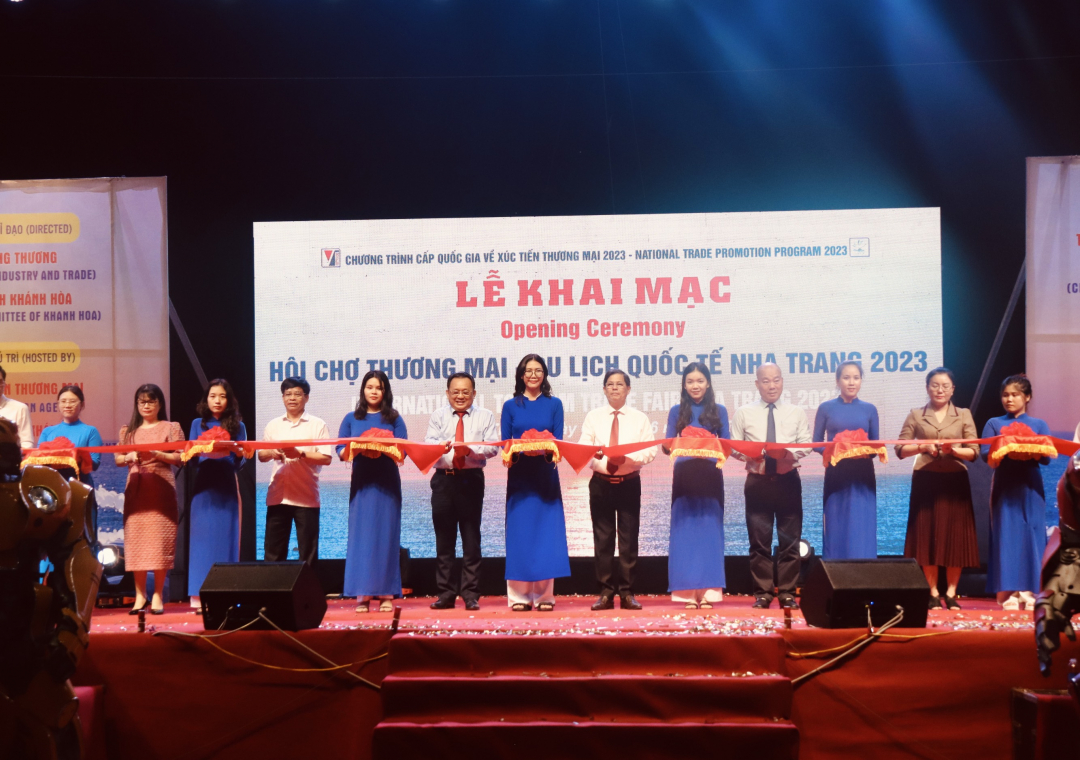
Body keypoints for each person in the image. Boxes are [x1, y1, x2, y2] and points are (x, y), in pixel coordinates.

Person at [896, 367, 979, 610]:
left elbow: (974, 452)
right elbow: (900, 449)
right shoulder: (915, 414)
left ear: (953, 389)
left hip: (955, 482)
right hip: (926, 480)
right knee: (926, 537)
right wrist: (922, 447)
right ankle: (932, 592)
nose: (939, 390)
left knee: (955, 537)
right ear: (927, 388)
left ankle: (951, 593)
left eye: (945, 385)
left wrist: (954, 451)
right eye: (934, 385)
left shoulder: (963, 414)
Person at [731, 362, 812, 610]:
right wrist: (750, 456)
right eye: (765, 381)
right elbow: (734, 446)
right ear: (757, 384)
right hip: (757, 482)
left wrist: (789, 454)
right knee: (759, 542)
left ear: (782, 381)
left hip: (788, 481)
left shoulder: (796, 412)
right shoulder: (744, 412)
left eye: (776, 379)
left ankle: (787, 593)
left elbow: (806, 444)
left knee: (790, 541)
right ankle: (763, 593)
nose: (771, 385)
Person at [580, 369, 656, 611]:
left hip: (629, 483)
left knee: (629, 540)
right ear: (604, 389)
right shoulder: (593, 416)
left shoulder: (639, 418)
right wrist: (602, 457)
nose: (614, 388)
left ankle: (627, 593)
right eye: (610, 385)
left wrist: (625, 458)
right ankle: (604, 593)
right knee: (602, 540)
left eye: (619, 384)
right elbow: (584, 449)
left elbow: (650, 452)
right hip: (601, 483)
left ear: (628, 390)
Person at [424, 372, 501, 611]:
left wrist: (469, 450)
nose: (460, 396)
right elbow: (430, 446)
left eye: (465, 392)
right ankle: (445, 594)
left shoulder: (485, 416)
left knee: (471, 538)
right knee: (444, 541)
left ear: (474, 394)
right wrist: (448, 451)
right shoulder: (437, 416)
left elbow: (493, 447)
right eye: (455, 391)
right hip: (443, 481)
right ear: (447, 393)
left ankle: (470, 594)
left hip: (471, 480)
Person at [501, 354, 569, 611]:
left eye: (538, 370)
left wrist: (543, 449)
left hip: (545, 475)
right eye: (528, 370)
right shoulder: (510, 405)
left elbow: (558, 443)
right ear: (521, 375)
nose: (533, 375)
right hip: (519, 477)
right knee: (520, 534)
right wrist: (519, 451)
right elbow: (505, 445)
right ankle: (518, 597)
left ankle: (543, 597)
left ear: (544, 375)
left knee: (545, 534)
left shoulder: (555, 404)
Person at [337, 370, 407, 613]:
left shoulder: (394, 418)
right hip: (362, 484)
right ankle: (362, 594)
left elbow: (403, 454)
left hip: (387, 483)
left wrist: (384, 448)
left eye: (379, 387)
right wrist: (359, 448)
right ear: (363, 390)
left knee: (387, 537)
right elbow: (341, 451)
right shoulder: (351, 418)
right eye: (370, 387)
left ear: (385, 391)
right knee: (361, 538)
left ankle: (387, 593)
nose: (374, 391)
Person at [980, 374, 1051, 610]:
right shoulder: (994, 423)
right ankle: (1007, 591)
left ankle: (1031, 590)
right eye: (1005, 395)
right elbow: (984, 454)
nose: (1009, 399)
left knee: (1032, 534)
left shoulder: (1039, 424)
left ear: (1027, 397)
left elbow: (1047, 458)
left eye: (1015, 395)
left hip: (1030, 485)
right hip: (1005, 486)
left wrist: (1031, 451)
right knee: (1006, 535)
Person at [663, 362, 728, 609]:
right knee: (685, 532)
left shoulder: (719, 411)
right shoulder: (676, 411)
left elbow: (727, 445)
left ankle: (710, 593)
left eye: (700, 380)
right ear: (684, 385)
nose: (695, 385)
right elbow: (668, 445)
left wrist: (708, 443)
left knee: (709, 532)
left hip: (710, 476)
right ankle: (687, 593)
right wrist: (681, 441)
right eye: (690, 381)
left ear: (708, 383)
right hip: (684, 477)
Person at [115, 384, 184, 614]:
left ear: (160, 404)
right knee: (136, 543)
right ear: (136, 405)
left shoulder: (171, 427)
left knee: (160, 542)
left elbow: (182, 457)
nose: (146, 405)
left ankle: (157, 595)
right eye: (142, 401)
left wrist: (158, 454)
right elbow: (117, 458)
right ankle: (139, 595)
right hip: (136, 489)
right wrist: (130, 456)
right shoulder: (128, 431)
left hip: (161, 488)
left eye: (151, 401)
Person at [259, 377, 333, 566]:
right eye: (288, 394)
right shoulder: (273, 425)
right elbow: (261, 455)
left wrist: (300, 453)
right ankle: (273, 595)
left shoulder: (317, 424)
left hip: (306, 497)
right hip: (278, 496)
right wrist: (273, 452)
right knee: (273, 552)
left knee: (307, 554)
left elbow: (326, 458)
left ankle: (307, 595)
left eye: (297, 394)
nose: (292, 398)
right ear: (283, 397)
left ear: (306, 398)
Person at [188, 379, 247, 607]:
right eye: (213, 396)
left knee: (227, 537)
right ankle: (196, 595)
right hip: (204, 485)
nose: (217, 400)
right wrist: (200, 451)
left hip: (226, 484)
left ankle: (227, 594)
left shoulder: (237, 425)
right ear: (206, 398)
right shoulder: (197, 423)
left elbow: (241, 462)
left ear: (229, 400)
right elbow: (192, 458)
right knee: (201, 540)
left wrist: (236, 451)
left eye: (222, 396)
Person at [812, 361, 880, 559]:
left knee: (862, 526)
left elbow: (875, 448)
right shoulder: (826, 408)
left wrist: (861, 449)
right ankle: (835, 575)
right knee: (836, 523)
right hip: (837, 473)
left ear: (861, 381)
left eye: (856, 378)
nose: (851, 382)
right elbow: (816, 444)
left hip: (862, 474)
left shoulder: (870, 409)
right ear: (837, 380)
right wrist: (837, 449)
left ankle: (865, 578)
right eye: (846, 377)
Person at [39, 385, 105, 542]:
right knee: (51, 538)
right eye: (63, 401)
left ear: (82, 405)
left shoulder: (90, 431)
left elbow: (94, 463)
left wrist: (74, 457)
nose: (67, 405)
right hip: (53, 492)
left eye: (72, 401)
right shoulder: (48, 432)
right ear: (58, 404)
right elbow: (39, 460)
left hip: (80, 488)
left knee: (83, 536)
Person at [0, 364, 34, 449]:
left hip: (9, 460)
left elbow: (27, 443)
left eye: (0, 381)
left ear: (4, 384)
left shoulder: (20, 408)